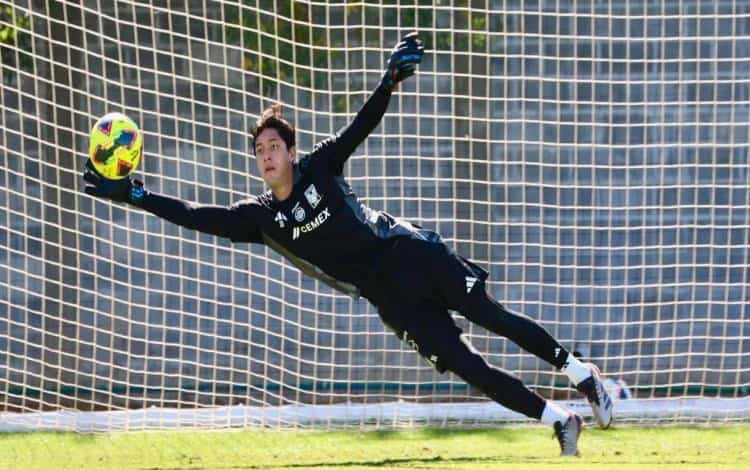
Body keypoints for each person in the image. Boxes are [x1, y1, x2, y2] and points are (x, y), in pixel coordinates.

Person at [83, 32, 612, 456]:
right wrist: (137, 194)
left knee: (491, 317)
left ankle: (583, 375)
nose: (266, 156)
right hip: (391, 301)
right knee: (469, 367)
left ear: (291, 152)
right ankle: (560, 421)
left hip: (414, 256)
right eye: (259, 151)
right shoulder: (263, 219)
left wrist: (389, 80)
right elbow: (198, 216)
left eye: (274, 146)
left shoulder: (321, 165)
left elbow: (362, 124)